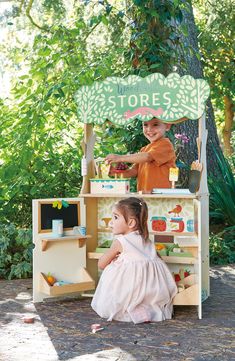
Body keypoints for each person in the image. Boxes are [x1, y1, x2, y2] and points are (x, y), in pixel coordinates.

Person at [91, 197, 177, 324]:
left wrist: (115, 258)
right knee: (142, 291)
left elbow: (101, 264)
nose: (111, 222)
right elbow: (158, 260)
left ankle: (131, 308)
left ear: (131, 223)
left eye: (115, 217)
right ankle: (145, 307)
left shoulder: (120, 242)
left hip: (130, 288)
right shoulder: (146, 240)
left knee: (117, 275)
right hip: (151, 290)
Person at [105, 118, 176, 192]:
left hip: (161, 194)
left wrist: (120, 158)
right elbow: (133, 172)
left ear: (167, 126)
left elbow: (147, 157)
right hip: (145, 195)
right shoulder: (144, 150)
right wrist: (114, 172)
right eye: (145, 125)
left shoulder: (165, 145)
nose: (149, 129)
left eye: (155, 125)